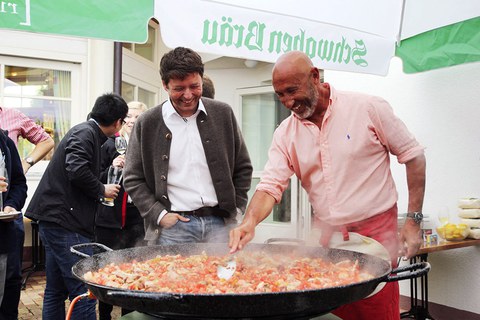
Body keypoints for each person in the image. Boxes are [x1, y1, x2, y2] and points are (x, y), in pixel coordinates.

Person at [229, 51, 426, 320]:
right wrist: (249, 222)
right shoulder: (285, 134)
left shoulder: (368, 108)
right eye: (280, 95)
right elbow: (270, 185)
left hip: (376, 235)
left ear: (314, 76)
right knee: (332, 311)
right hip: (327, 240)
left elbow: (413, 156)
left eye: (292, 90)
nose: (287, 101)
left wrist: (413, 221)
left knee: (375, 308)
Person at [123, 47, 252, 246]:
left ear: (202, 79)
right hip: (174, 227)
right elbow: (132, 178)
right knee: (174, 277)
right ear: (165, 85)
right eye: (179, 88)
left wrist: (237, 209)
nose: (188, 95)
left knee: (224, 277)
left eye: (194, 86)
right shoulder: (148, 122)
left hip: (221, 224)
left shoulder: (222, 114)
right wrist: (158, 214)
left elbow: (243, 167)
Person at [24, 93, 128, 320]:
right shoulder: (85, 133)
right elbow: (76, 170)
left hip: (56, 221)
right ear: (118, 121)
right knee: (84, 290)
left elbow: (81, 171)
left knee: (55, 290)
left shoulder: (89, 133)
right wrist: (102, 189)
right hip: (65, 224)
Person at [95, 101, 148, 320]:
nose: (132, 121)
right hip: (109, 217)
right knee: (106, 267)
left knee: (133, 268)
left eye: (137, 117)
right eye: (129, 117)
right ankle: (105, 313)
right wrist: (112, 167)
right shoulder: (108, 144)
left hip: (136, 218)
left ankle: (129, 313)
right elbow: (93, 176)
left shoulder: (148, 146)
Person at [0, 106, 54, 319]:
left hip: (7, 220)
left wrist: (12, 204)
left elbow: (19, 184)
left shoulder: (6, 138)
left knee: (11, 278)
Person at [0, 129, 27, 320]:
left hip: (4, 232)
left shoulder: (5, 142)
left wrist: (11, 204)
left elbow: (18, 183)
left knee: (9, 286)